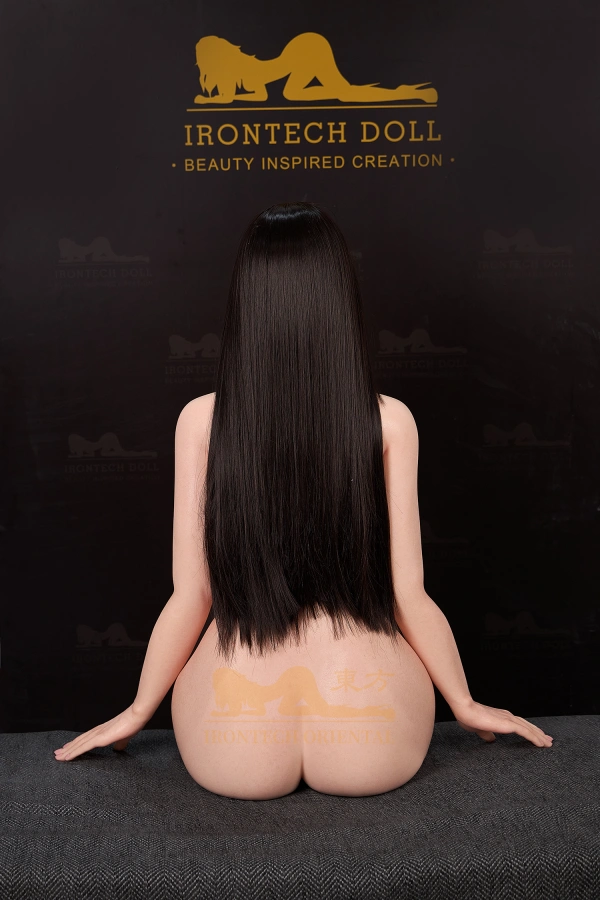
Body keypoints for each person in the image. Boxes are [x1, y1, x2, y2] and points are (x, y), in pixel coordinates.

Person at [53, 202, 553, 797]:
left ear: (246, 304)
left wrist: (138, 710)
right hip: (368, 727)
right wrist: (464, 704)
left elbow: (192, 596)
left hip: (234, 733)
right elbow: (408, 595)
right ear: (340, 301)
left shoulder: (201, 422)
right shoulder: (389, 421)